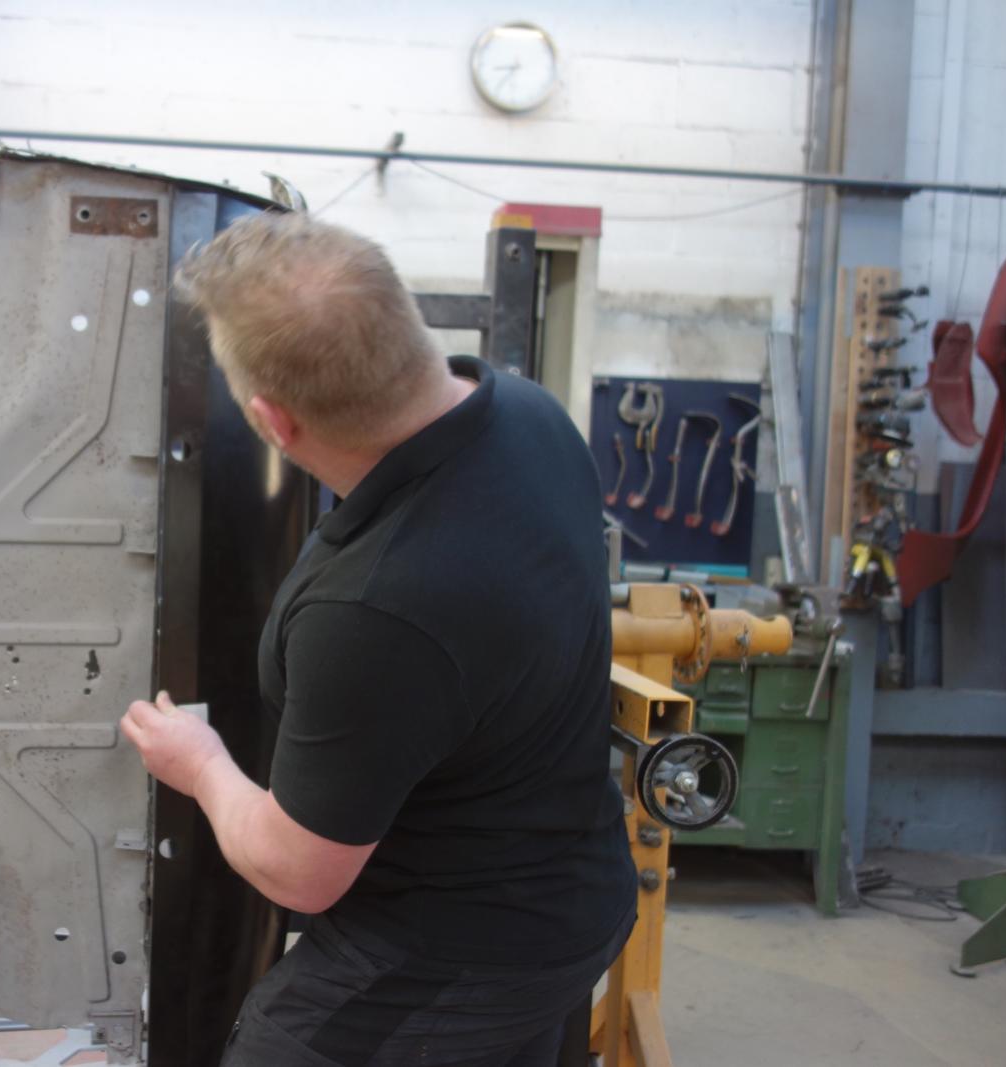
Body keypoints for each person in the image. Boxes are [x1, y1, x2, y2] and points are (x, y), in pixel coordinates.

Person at [119, 212, 637, 1067]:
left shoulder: (373, 611)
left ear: (272, 421)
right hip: (580, 892)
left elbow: (299, 871)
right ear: (405, 325)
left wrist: (202, 764)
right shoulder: (534, 416)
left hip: (462, 951)